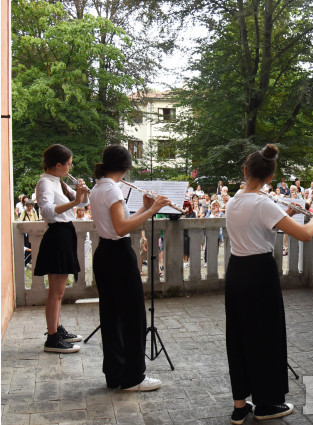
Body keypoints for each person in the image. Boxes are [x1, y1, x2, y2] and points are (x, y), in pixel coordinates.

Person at [224, 144, 313, 423]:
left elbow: (260, 223)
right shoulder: (263, 204)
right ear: (270, 177)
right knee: (265, 337)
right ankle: (267, 405)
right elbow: (305, 235)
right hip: (259, 274)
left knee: (239, 336)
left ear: (245, 171)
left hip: (237, 272)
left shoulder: (233, 201)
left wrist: (286, 214)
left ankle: (240, 405)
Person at [90, 144, 171, 391]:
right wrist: (154, 210)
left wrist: (145, 208)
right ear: (126, 167)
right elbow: (122, 228)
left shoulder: (98, 187)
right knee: (134, 316)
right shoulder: (113, 190)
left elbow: (118, 222)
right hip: (118, 255)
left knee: (111, 316)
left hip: (104, 253)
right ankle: (133, 377)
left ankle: (115, 373)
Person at [34, 144, 89, 353]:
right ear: (58, 165)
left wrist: (81, 194)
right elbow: (48, 212)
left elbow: (83, 205)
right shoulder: (44, 183)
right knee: (55, 293)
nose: (70, 167)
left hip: (65, 234)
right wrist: (75, 200)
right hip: (57, 235)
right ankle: (52, 338)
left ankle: (57, 328)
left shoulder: (58, 181)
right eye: (68, 164)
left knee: (59, 291)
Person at [182, 201, 196, 266]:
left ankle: (188, 259)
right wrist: (184, 214)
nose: (186, 207)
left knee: (190, 246)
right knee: (185, 246)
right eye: (185, 206)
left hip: (191, 232)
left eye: (188, 206)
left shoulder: (193, 213)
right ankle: (185, 260)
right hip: (183, 232)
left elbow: (193, 221)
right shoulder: (182, 213)